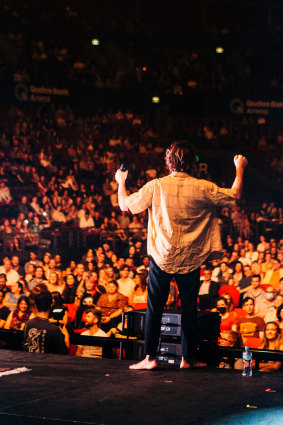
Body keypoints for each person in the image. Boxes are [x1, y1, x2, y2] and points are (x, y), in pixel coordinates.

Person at [115, 141, 247, 369]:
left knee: (154, 307)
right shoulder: (202, 186)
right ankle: (187, 359)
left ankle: (150, 359)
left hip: (161, 256)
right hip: (190, 257)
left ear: (168, 161)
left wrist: (121, 182)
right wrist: (239, 167)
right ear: (193, 163)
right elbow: (234, 195)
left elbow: (125, 206)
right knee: (189, 308)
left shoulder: (156, 185)